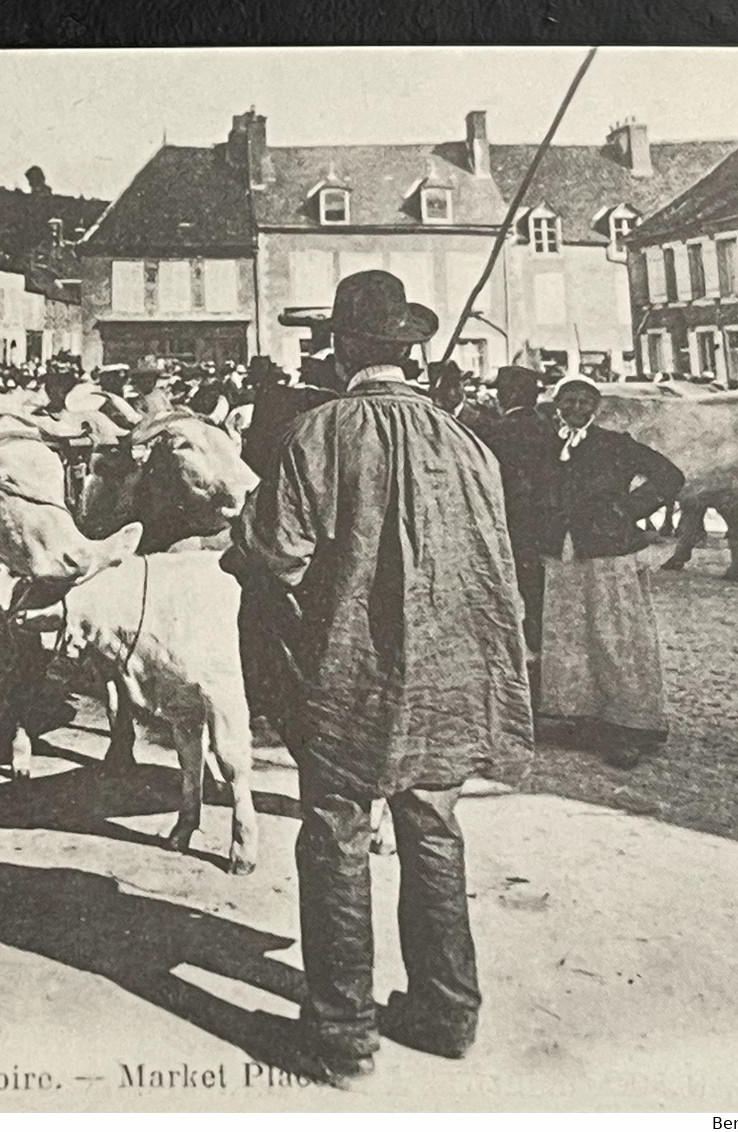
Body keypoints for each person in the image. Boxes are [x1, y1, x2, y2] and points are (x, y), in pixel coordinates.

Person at [225, 270, 532, 1087]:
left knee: (335, 835)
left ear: (344, 351)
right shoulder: (467, 441)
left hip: (349, 675)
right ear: (408, 352)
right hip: (448, 674)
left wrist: (240, 533)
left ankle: (341, 1035)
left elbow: (277, 555)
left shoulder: (318, 433)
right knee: (432, 829)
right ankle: (447, 1011)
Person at [536, 374, 684, 769]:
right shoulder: (548, 446)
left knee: (614, 633)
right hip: (563, 554)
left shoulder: (615, 445)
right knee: (571, 635)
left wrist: (628, 511)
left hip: (608, 553)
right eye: (568, 401)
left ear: (596, 407)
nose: (576, 408)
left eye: (585, 401)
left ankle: (628, 725)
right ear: (557, 405)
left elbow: (670, 477)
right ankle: (581, 716)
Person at [484, 365, 556, 673]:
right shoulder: (549, 428)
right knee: (539, 586)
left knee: (511, 586)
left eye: (500, 391)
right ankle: (542, 646)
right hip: (546, 521)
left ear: (509, 394)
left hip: (509, 519)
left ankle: (519, 651)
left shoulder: (496, 430)